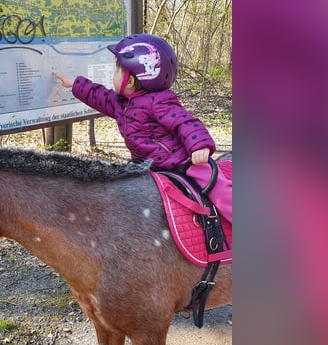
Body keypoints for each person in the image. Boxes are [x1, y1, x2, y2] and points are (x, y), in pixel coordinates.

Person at [53, 33, 231, 223]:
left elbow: (185, 122)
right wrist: (75, 84)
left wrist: (199, 146)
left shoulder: (159, 102)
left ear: (129, 82)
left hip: (182, 162)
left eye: (116, 72)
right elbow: (98, 95)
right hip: (147, 165)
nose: (113, 76)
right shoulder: (120, 103)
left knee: (216, 189)